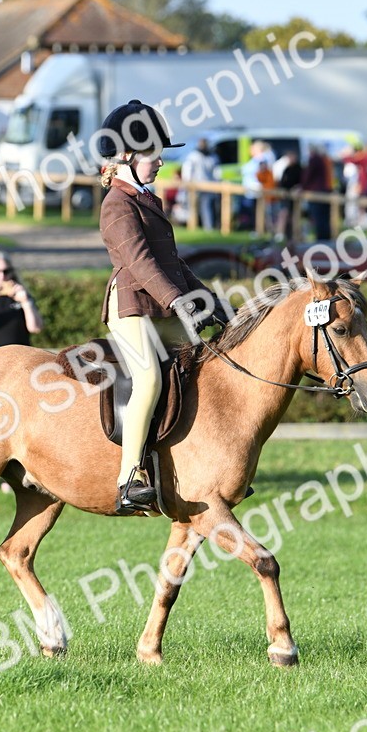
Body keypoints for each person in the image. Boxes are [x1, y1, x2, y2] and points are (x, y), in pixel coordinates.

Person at [97, 99, 231, 513]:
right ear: (126, 156)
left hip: (160, 307)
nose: (160, 163)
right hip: (132, 307)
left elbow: (174, 264)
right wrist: (178, 301)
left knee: (205, 367)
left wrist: (209, 301)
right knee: (150, 380)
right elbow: (140, 263)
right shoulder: (118, 205)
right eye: (154, 154)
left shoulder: (146, 200)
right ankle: (128, 478)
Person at [180, 138, 219, 230]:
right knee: (193, 207)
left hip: (208, 186)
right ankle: (192, 227)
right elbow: (187, 170)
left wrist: (216, 184)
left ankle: (207, 228)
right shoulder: (193, 156)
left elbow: (216, 173)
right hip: (194, 186)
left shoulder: (212, 157)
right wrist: (187, 183)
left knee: (206, 207)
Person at [300, 143, 334, 240]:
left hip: (317, 191)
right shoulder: (325, 160)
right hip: (326, 190)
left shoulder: (315, 159)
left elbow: (308, 176)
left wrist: (302, 187)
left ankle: (321, 238)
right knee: (325, 217)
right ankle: (326, 237)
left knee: (319, 217)